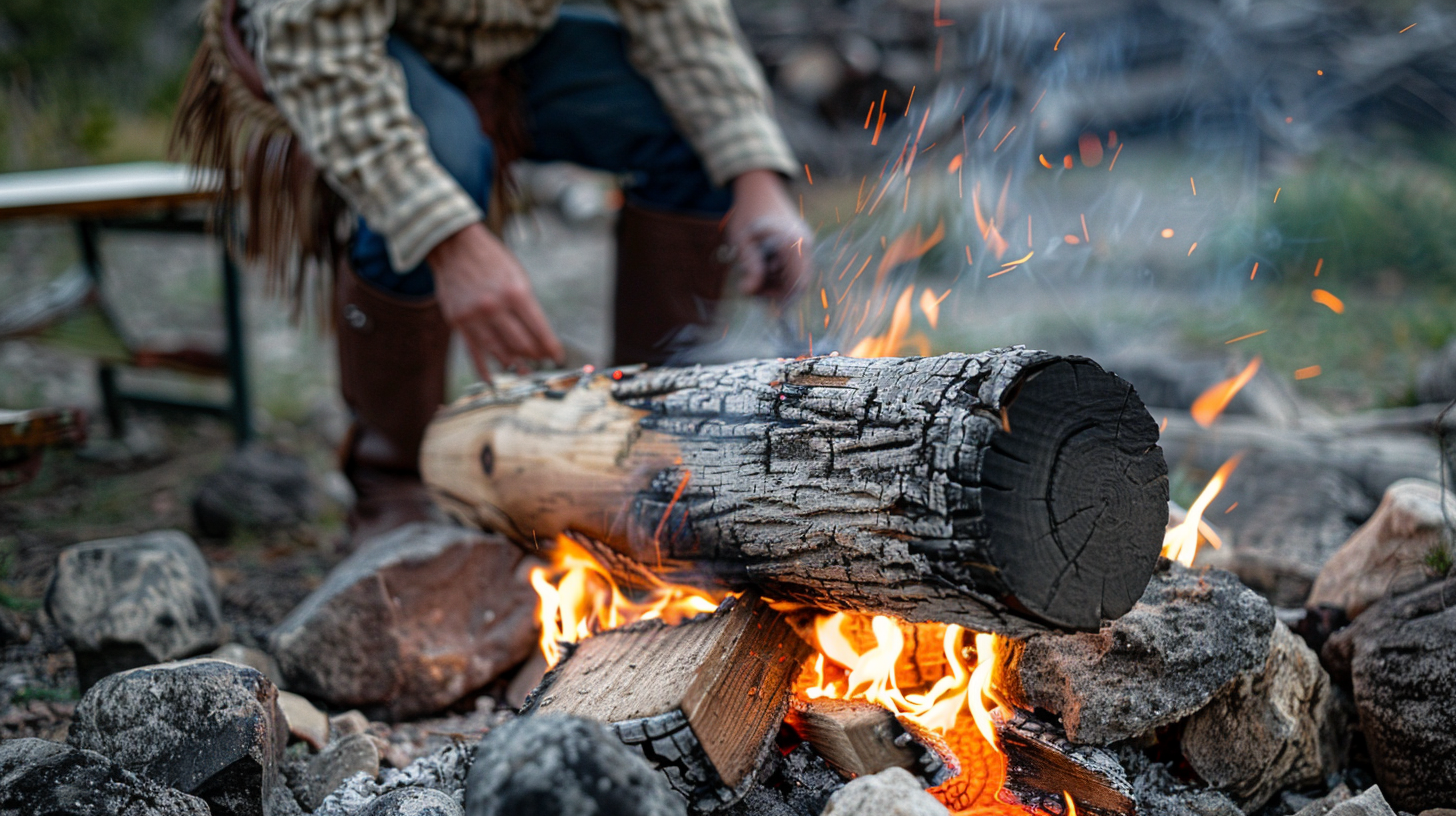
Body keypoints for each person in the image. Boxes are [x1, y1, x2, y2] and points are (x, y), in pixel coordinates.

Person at [173, 0, 812, 545]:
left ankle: (649, 459)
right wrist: (450, 241)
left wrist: (753, 174)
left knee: (695, 130)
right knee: (443, 151)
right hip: (320, 49)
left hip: (498, 45)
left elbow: (677, 13)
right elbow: (319, 54)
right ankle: (394, 485)